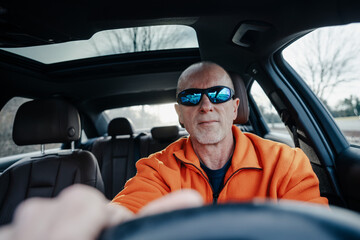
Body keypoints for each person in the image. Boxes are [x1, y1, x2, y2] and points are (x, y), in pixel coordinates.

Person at [0, 61, 328, 239]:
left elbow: (315, 229)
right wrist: (101, 225)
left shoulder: (286, 161)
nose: (205, 105)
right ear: (179, 113)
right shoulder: (157, 167)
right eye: (190, 97)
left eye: (218, 95)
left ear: (234, 107)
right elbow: (127, 208)